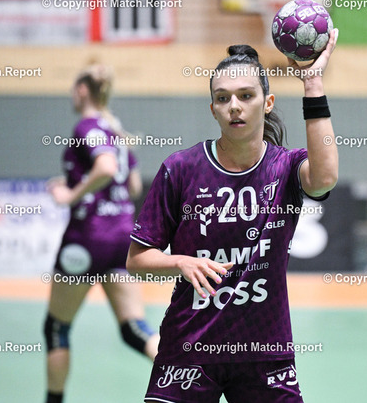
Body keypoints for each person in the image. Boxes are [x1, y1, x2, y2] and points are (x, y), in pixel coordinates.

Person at [127, 30, 339, 403]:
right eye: (223, 98)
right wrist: (180, 262)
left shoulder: (285, 168)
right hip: (189, 348)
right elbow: (137, 261)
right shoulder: (181, 169)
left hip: (264, 351)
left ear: (267, 102)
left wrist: (312, 83)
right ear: (213, 109)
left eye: (246, 96)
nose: (234, 107)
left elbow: (324, 178)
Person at [44, 65, 159, 403]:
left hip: (85, 239)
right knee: (134, 328)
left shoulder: (88, 127)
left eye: (73, 87)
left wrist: (71, 194)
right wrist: (81, 183)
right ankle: (191, 382)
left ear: (83, 90)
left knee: (56, 328)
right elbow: (133, 186)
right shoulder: (115, 131)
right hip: (121, 237)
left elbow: (106, 167)